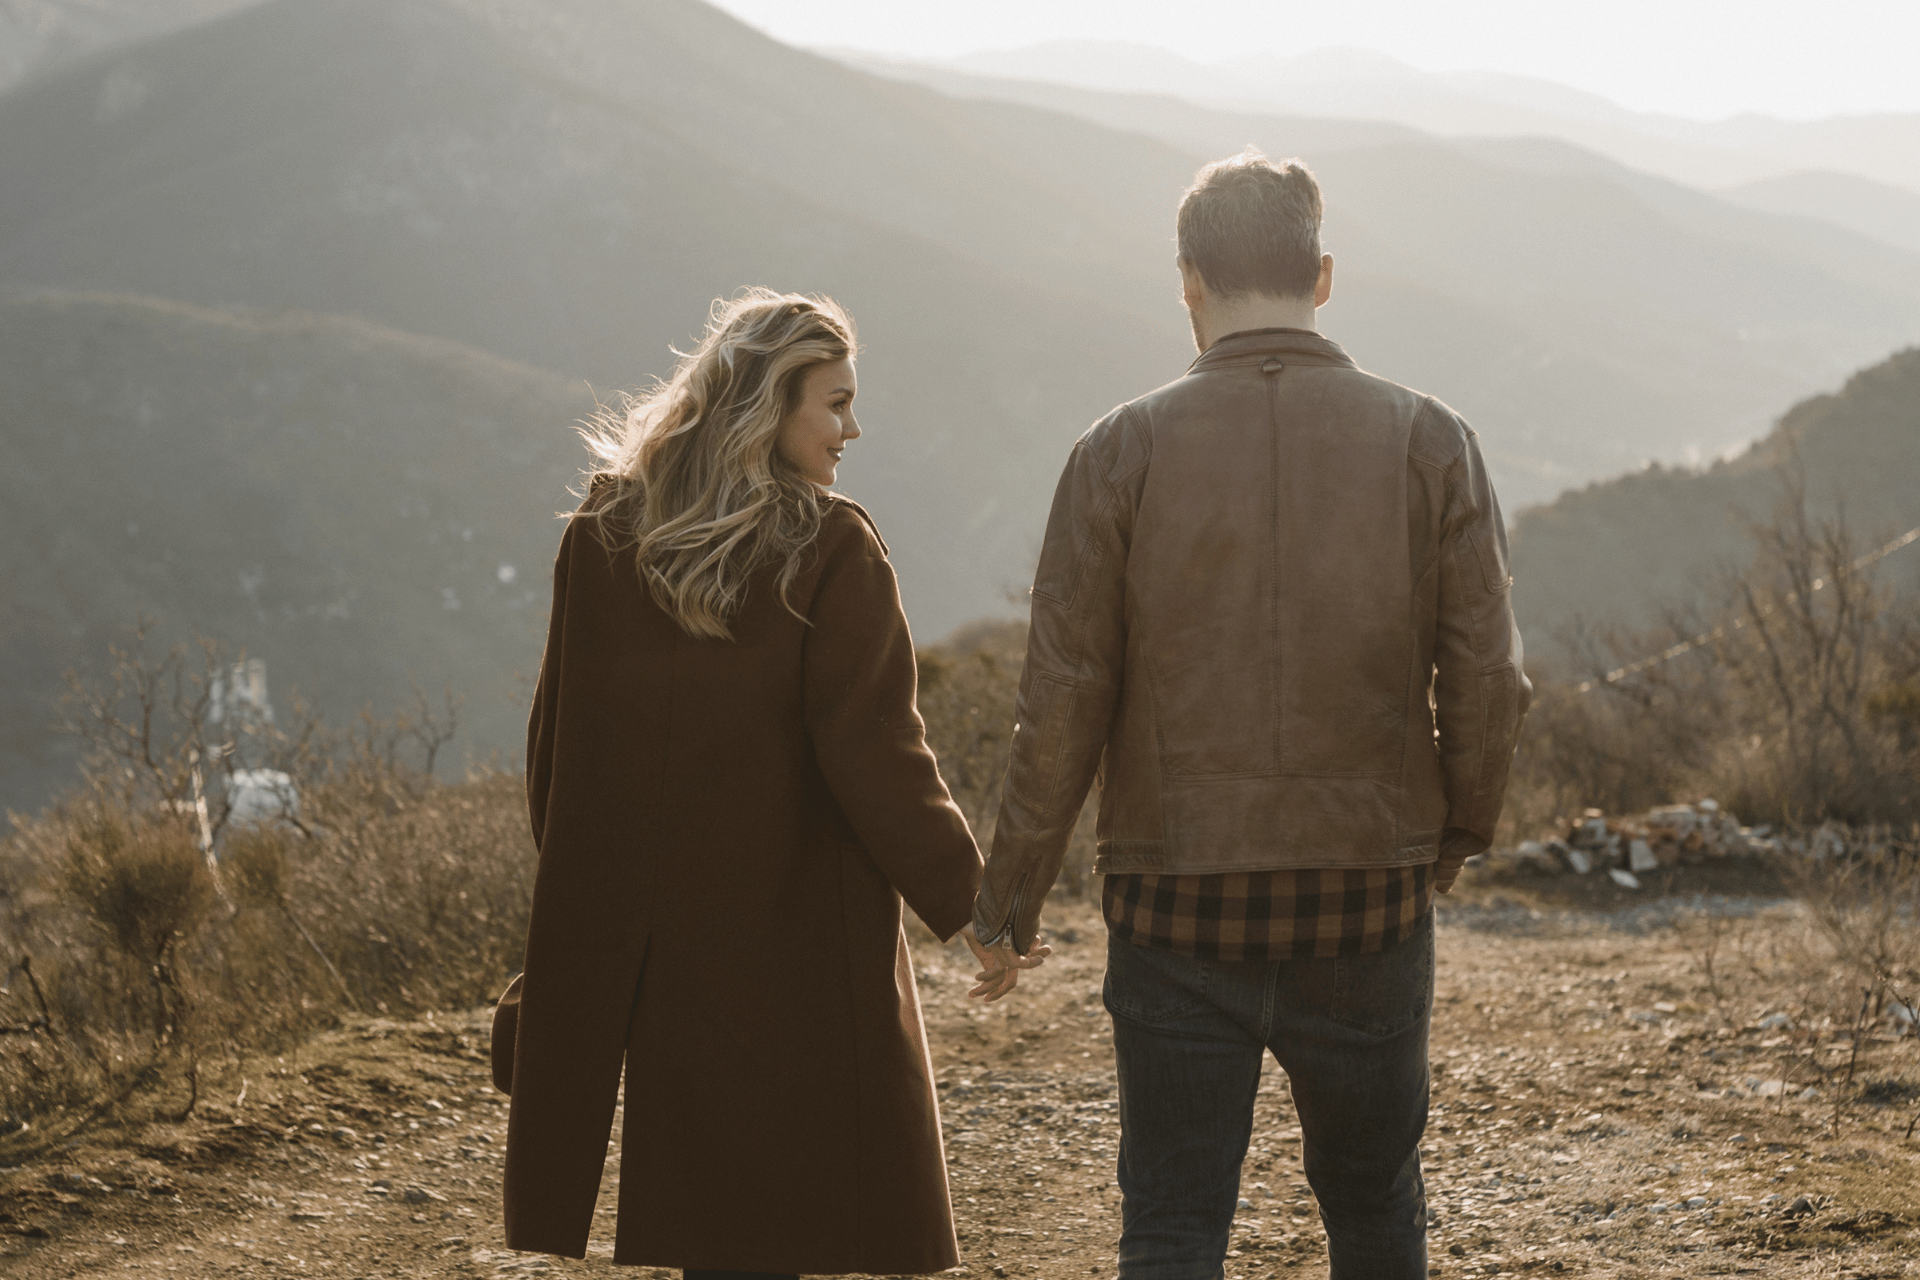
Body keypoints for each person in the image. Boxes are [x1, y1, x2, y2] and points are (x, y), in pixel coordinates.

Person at [965, 151, 1532, 1279]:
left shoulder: (1117, 449)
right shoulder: (1431, 440)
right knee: (1374, 1207)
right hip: (1369, 888)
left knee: (1172, 1216)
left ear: (1188, 283)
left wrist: (1009, 893)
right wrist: (1455, 832)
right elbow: (1486, 678)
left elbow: (1063, 696)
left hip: (1175, 899)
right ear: (1323, 275)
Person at [502, 289, 986, 1280]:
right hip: (797, 942)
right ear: (770, 407)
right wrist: (975, 903)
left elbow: (559, 754)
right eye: (835, 403)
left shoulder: (602, 531)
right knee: (784, 1220)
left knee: (707, 1229)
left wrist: (594, 915)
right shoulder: (831, 545)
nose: (853, 427)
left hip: (657, 941)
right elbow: (879, 754)